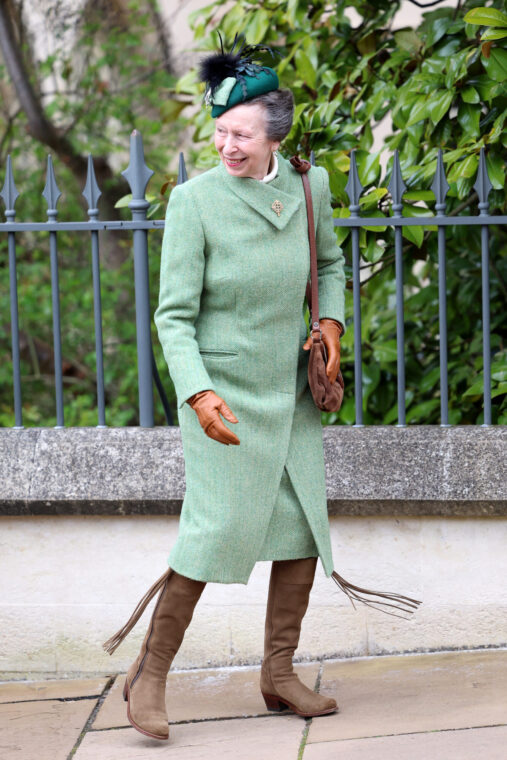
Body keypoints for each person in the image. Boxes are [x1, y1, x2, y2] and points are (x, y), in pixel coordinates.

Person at [102, 32, 420, 742]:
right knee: (213, 533)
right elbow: (173, 317)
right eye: (218, 132)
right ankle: (149, 674)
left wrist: (331, 325)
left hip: (291, 391)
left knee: (302, 528)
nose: (226, 145)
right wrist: (197, 393)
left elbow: (331, 263)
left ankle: (278, 673)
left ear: (274, 132)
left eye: (240, 133)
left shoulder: (311, 185)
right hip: (222, 397)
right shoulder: (194, 202)